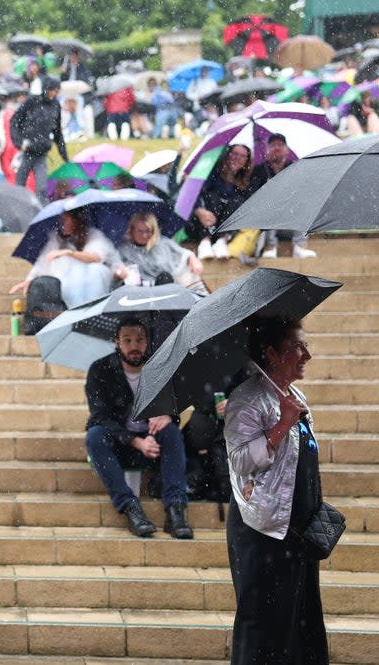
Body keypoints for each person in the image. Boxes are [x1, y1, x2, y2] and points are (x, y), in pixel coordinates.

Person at [224, 316, 327, 664]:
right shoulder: (247, 399)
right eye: (297, 346)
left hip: (297, 526)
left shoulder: (295, 395)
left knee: (299, 616)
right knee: (263, 619)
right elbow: (239, 461)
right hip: (263, 529)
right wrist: (282, 424)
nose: (306, 355)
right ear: (270, 352)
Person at [84, 317, 192, 539]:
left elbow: (174, 407)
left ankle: (175, 509)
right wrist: (134, 441)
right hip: (120, 445)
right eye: (127, 340)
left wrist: (167, 416)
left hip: (154, 444)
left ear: (148, 341)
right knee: (95, 436)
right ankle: (130, 506)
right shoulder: (101, 370)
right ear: (117, 342)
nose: (134, 346)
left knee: (171, 432)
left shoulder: (160, 366)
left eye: (140, 340)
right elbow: (99, 417)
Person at [9, 208, 117, 309]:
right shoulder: (57, 239)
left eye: (65, 220)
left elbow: (96, 258)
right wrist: (29, 280)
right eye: (61, 220)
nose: (62, 224)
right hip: (67, 289)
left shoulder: (94, 235)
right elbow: (43, 261)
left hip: (93, 286)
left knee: (93, 270)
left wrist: (68, 252)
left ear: (76, 220)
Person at [187, 144, 265, 260]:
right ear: (227, 155)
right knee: (213, 197)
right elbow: (194, 193)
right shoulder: (212, 172)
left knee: (238, 201)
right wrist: (199, 211)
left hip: (223, 229)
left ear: (246, 161)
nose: (237, 158)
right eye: (234, 153)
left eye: (243, 156)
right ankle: (205, 242)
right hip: (200, 223)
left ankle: (222, 240)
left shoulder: (244, 181)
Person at [113, 211, 207, 295]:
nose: (144, 235)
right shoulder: (123, 249)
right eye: (140, 231)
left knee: (168, 277)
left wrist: (194, 260)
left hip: (169, 285)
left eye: (148, 231)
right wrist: (119, 272)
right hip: (139, 290)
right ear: (132, 230)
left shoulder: (162, 243)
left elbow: (184, 253)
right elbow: (116, 266)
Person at [257, 134, 317, 259]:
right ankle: (270, 247)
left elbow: (302, 192)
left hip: (291, 221)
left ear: (287, 149)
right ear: (267, 149)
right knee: (269, 202)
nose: (277, 148)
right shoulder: (259, 171)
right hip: (267, 223)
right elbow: (254, 197)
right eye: (273, 145)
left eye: (280, 145)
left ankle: (300, 246)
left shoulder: (296, 168)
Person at [10, 77, 67, 201]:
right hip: (26, 151)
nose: (54, 93)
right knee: (19, 187)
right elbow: (14, 121)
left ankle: (41, 215)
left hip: (42, 152)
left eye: (56, 91)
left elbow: (57, 133)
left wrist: (64, 156)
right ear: (46, 89)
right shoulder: (32, 101)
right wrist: (19, 143)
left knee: (42, 189)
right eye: (52, 90)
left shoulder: (55, 105)